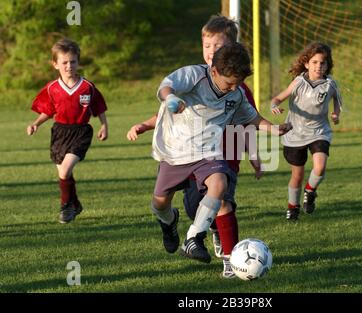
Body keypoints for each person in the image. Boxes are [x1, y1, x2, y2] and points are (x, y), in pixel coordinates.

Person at [127, 15, 263, 278]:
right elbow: (177, 110)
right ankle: (195, 228)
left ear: (232, 49)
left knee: (223, 201)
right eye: (207, 46)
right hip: (182, 152)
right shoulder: (195, 78)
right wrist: (144, 125)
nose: (212, 52)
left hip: (223, 153)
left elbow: (248, 122)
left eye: (218, 46)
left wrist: (254, 154)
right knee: (191, 207)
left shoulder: (238, 89)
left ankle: (230, 259)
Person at [148, 42, 291, 267]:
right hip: (175, 151)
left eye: (238, 84)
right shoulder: (194, 75)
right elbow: (167, 85)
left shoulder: (237, 93)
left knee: (220, 183)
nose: (234, 89)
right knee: (159, 204)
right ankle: (169, 222)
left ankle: (193, 237)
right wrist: (170, 98)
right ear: (214, 71)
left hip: (208, 152)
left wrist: (274, 129)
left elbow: (251, 118)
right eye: (229, 83)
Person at [26, 38, 108, 224]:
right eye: (64, 62)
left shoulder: (87, 87)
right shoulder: (52, 88)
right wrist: (36, 123)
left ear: (78, 62)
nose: (69, 66)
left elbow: (99, 108)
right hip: (59, 133)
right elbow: (48, 111)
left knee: (65, 170)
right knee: (64, 174)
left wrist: (104, 126)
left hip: (81, 132)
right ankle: (75, 204)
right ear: (55, 64)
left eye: (73, 61)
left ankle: (65, 207)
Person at [271, 41, 343, 221]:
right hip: (295, 133)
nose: (319, 66)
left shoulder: (330, 84)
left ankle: (310, 191)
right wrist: (274, 106)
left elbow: (337, 103)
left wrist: (335, 115)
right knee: (297, 175)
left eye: (323, 63)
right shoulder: (298, 82)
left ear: (328, 65)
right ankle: (292, 207)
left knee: (320, 166)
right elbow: (278, 98)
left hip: (319, 132)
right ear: (306, 64)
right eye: (315, 62)